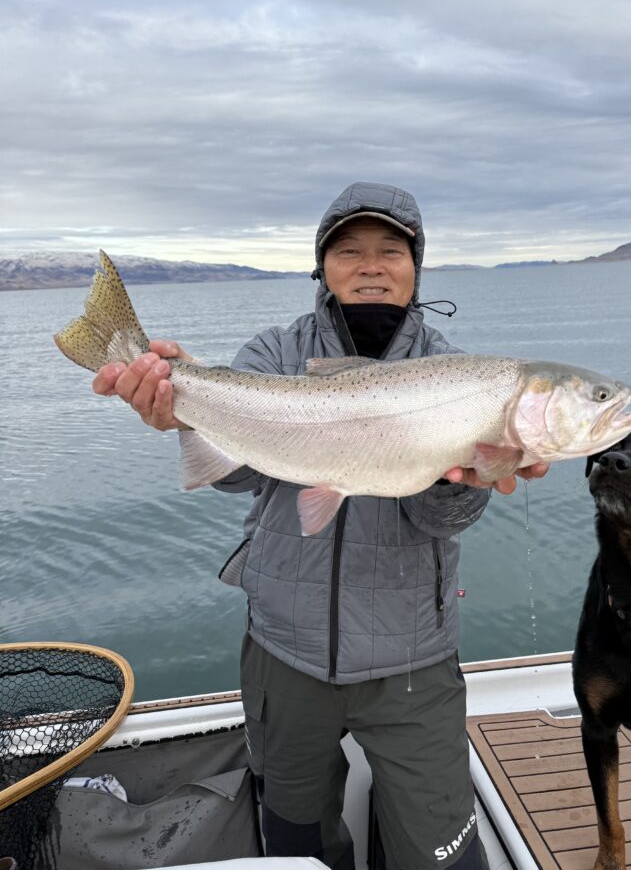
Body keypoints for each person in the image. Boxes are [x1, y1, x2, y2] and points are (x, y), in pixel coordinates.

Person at [93, 182, 548, 869]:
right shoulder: (275, 353)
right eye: (349, 250)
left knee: (445, 856)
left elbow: (437, 516)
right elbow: (244, 474)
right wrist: (180, 407)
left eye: (390, 250)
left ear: (415, 266)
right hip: (284, 651)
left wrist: (472, 481)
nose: (371, 265)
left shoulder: (458, 377)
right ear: (322, 266)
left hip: (413, 661)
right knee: (295, 842)